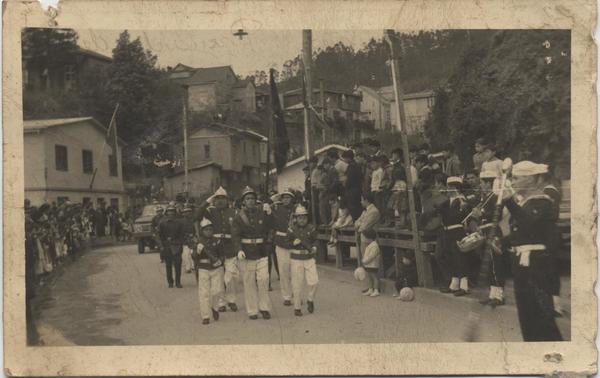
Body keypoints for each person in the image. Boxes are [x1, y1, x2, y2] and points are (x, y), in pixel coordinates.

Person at [501, 160, 562, 341]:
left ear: (530, 179)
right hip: (522, 264)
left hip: (537, 264)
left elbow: (529, 223)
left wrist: (509, 203)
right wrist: (501, 241)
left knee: (541, 315)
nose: (512, 182)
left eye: (517, 178)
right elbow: (520, 232)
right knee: (527, 316)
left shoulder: (542, 201)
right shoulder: (525, 203)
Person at [232, 186, 274, 320]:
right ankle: (252, 310)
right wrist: (238, 249)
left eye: (252, 198)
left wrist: (270, 213)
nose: (250, 201)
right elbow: (235, 236)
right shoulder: (239, 217)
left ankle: (264, 308)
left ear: (256, 200)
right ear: (243, 201)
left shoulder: (262, 213)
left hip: (261, 250)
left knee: (263, 280)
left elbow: (272, 226)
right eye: (247, 198)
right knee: (249, 282)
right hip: (247, 252)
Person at [470, 167, 507, 306]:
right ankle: (492, 294)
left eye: (483, 183)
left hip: (493, 231)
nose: (481, 185)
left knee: (496, 264)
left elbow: (497, 215)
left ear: (488, 183)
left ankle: (500, 296)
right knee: (488, 263)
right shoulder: (485, 198)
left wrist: (481, 214)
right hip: (485, 231)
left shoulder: (496, 197)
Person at [204, 187, 239, 312]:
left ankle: (232, 300)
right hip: (216, 248)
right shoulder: (210, 211)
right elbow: (197, 214)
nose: (220, 201)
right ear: (214, 200)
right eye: (217, 198)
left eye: (222, 198)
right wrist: (208, 201)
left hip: (230, 247)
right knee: (218, 278)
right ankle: (221, 302)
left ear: (227, 200)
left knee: (231, 277)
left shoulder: (234, 212)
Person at [438, 176, 472, 296]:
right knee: (450, 256)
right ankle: (454, 284)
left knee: (460, 257)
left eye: (451, 187)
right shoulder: (448, 201)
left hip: (457, 230)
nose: (448, 189)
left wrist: (463, 206)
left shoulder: (461, 200)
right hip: (447, 232)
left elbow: (460, 217)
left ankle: (464, 286)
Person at [287, 205, 319, 316]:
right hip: (296, 258)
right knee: (297, 283)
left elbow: (315, 240)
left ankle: (310, 299)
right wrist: (292, 243)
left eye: (304, 217)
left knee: (314, 281)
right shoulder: (291, 229)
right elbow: (286, 243)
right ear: (296, 218)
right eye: (299, 217)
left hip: (309, 257)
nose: (302, 220)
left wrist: (314, 247)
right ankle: (297, 307)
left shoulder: (311, 228)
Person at [193, 218, 225, 325]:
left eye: (210, 229)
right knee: (204, 293)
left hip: (216, 268)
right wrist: (197, 251)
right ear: (202, 231)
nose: (208, 232)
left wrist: (220, 261)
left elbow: (222, 254)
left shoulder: (217, 240)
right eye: (206, 230)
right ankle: (205, 316)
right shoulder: (198, 241)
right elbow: (194, 257)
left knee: (216, 291)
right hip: (203, 268)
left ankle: (214, 307)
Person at [272, 190, 296, 306]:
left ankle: (297, 295)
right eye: (284, 198)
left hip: (294, 243)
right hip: (281, 242)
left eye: (288, 198)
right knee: (283, 271)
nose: (286, 200)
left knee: (296, 271)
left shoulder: (297, 210)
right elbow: (266, 206)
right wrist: (274, 198)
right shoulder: (276, 208)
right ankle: (286, 296)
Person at [158, 205, 185, 288]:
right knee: (168, 265)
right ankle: (170, 282)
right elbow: (160, 235)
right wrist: (162, 245)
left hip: (176, 245)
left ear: (175, 213)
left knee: (178, 265)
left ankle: (178, 282)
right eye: (169, 211)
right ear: (166, 213)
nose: (171, 213)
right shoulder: (162, 223)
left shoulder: (179, 223)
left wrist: (179, 243)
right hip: (167, 246)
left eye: (172, 211)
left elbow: (182, 235)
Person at [360, 228, 381, 297]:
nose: (363, 239)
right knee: (369, 277)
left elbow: (371, 256)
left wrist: (365, 261)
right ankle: (370, 289)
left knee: (374, 277)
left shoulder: (374, 245)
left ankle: (376, 290)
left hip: (373, 265)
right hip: (368, 264)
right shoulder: (369, 245)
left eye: (364, 237)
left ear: (369, 238)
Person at [181, 205, 196, 274]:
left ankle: (193, 266)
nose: (187, 213)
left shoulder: (194, 220)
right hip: (185, 239)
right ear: (183, 213)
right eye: (186, 212)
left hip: (193, 238)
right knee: (186, 254)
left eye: (189, 212)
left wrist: (194, 236)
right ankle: (188, 268)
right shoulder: (181, 221)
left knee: (193, 253)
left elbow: (196, 229)